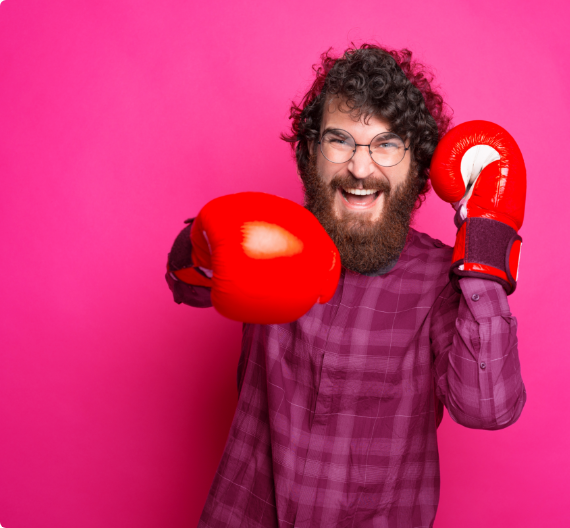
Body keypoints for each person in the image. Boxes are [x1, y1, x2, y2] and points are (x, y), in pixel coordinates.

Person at [166, 44, 526, 528]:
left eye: (387, 144)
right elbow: (183, 285)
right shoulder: (269, 236)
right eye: (340, 141)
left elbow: (489, 407)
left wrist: (485, 243)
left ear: (417, 164)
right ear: (312, 152)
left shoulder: (443, 282)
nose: (360, 168)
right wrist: (207, 243)